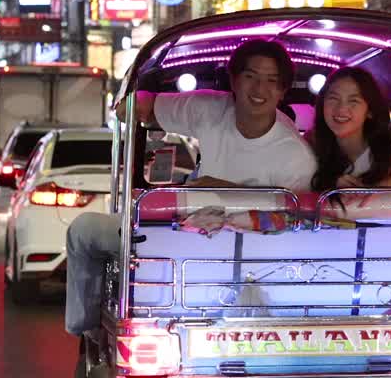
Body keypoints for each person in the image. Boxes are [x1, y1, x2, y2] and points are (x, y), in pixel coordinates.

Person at [64, 38, 316, 342]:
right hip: (175, 235)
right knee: (84, 229)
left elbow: (298, 223)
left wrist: (221, 191)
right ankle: (88, 329)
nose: (259, 89)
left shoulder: (295, 155)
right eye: (250, 76)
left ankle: (89, 330)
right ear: (234, 81)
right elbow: (139, 107)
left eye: (271, 81)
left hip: (250, 260)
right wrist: (130, 102)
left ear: (282, 90)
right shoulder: (211, 108)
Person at [310, 66, 391, 190]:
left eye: (353, 101)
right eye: (333, 98)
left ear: (370, 111)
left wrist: (380, 185)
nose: (341, 109)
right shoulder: (311, 145)